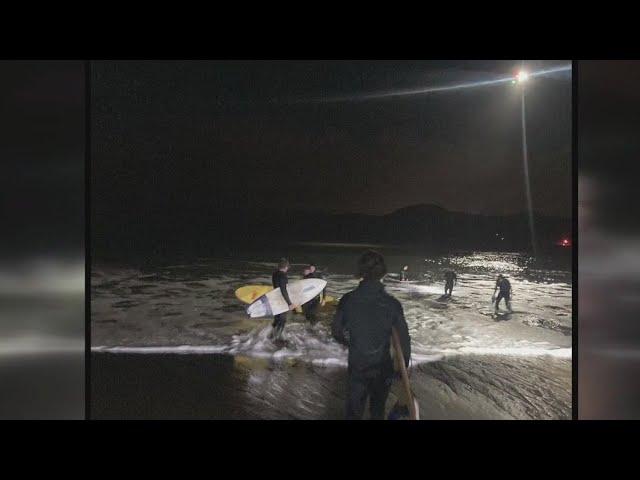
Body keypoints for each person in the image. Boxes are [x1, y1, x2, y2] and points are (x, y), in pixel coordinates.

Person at [332, 250, 411, 420]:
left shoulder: (347, 300)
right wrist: (402, 367)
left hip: (358, 365)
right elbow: (404, 342)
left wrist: (351, 343)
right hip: (382, 368)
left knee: (353, 412)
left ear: (360, 272)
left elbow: (336, 331)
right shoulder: (392, 304)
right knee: (377, 411)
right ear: (383, 273)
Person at [271, 258, 296, 340]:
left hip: (275, 298)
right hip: (281, 300)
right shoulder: (283, 276)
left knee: (277, 319)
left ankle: (272, 335)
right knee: (282, 320)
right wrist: (289, 303)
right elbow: (283, 290)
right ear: (286, 267)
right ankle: (277, 338)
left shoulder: (274, 274)